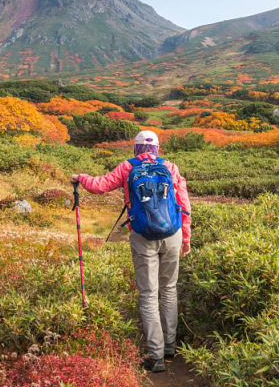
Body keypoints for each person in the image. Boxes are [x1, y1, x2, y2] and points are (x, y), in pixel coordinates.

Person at [71, 130, 191, 373]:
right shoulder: (170, 167)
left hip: (142, 235)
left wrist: (80, 177)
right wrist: (185, 239)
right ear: (157, 147)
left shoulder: (128, 167)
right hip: (172, 235)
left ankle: (155, 356)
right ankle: (170, 346)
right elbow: (184, 205)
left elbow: (100, 186)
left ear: (136, 148)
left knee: (148, 294)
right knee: (169, 290)